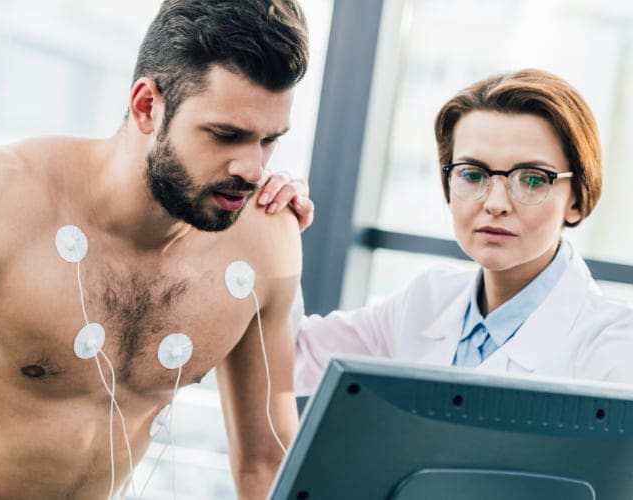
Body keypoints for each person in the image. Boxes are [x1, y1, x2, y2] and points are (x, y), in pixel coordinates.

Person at [0, 1, 309, 498]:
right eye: (226, 135)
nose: (253, 168)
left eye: (269, 141)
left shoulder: (266, 243)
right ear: (147, 107)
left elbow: (266, 462)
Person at [264, 68, 633, 396]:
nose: (495, 203)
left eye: (532, 179)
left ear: (577, 199)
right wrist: (274, 224)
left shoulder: (614, 345)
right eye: (473, 175)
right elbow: (287, 360)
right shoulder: (427, 301)